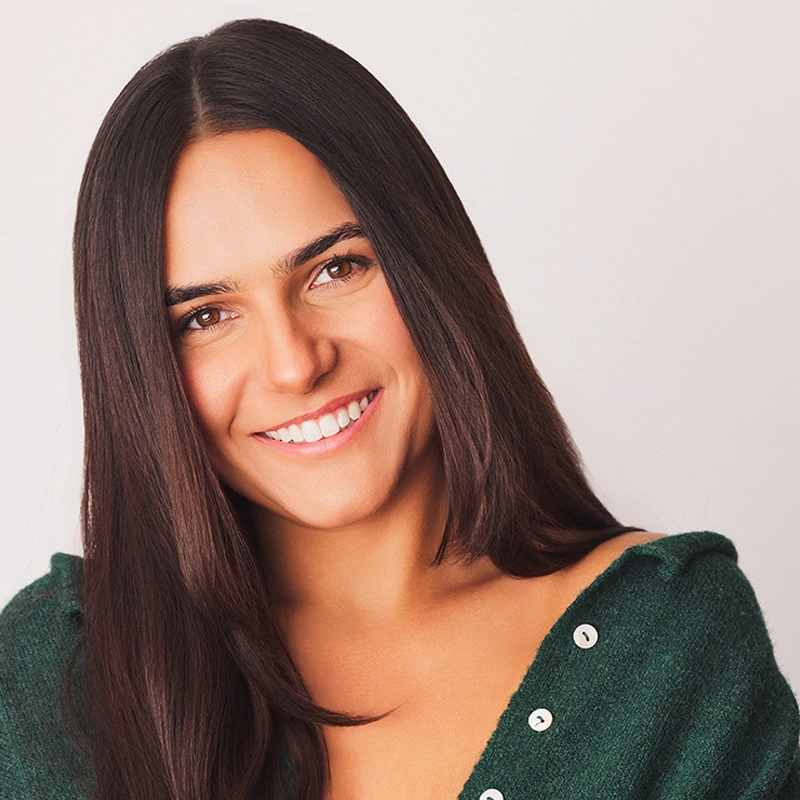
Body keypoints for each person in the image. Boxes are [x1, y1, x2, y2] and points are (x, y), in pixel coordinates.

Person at [0, 18, 797, 800]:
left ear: (429, 266)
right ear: (139, 369)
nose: (295, 362)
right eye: (206, 317)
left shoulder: (675, 651)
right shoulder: (49, 680)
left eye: (336, 269)